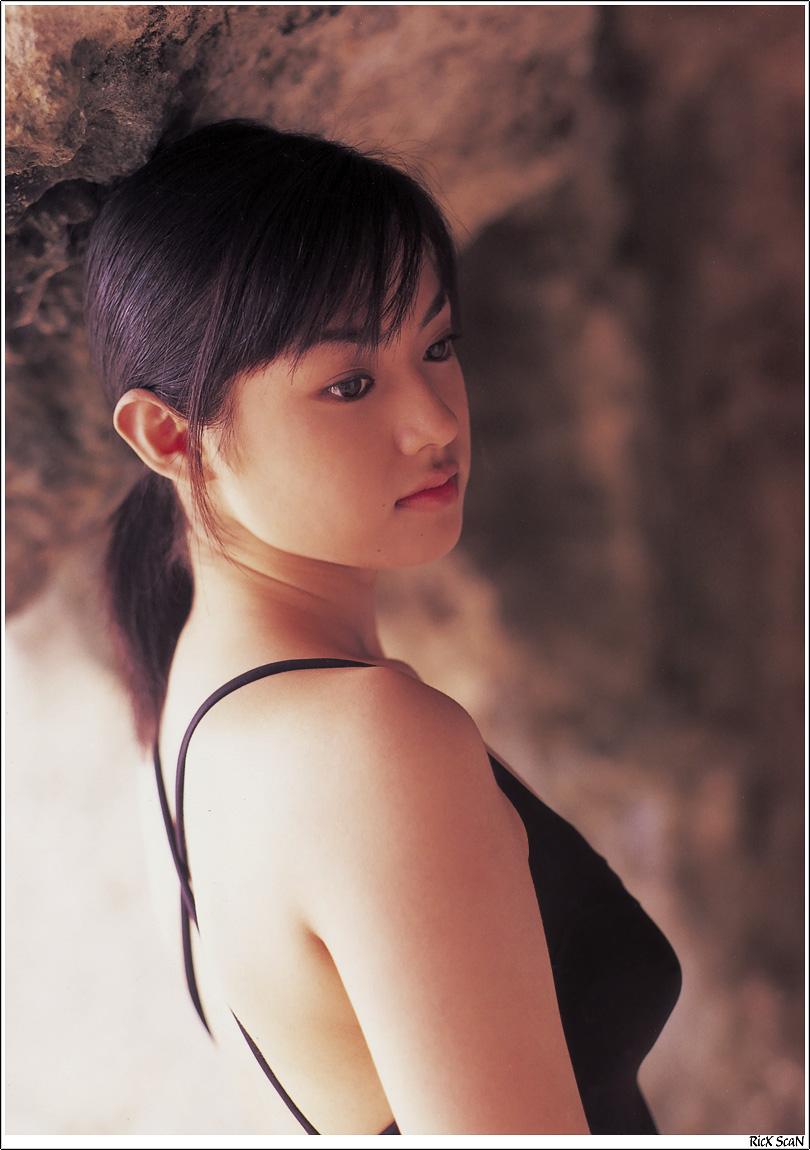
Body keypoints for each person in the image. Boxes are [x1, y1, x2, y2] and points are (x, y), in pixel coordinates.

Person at [83, 120, 681, 1135]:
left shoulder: (187, 716)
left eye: (438, 345)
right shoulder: (373, 743)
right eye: (350, 384)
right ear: (171, 436)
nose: (438, 421)